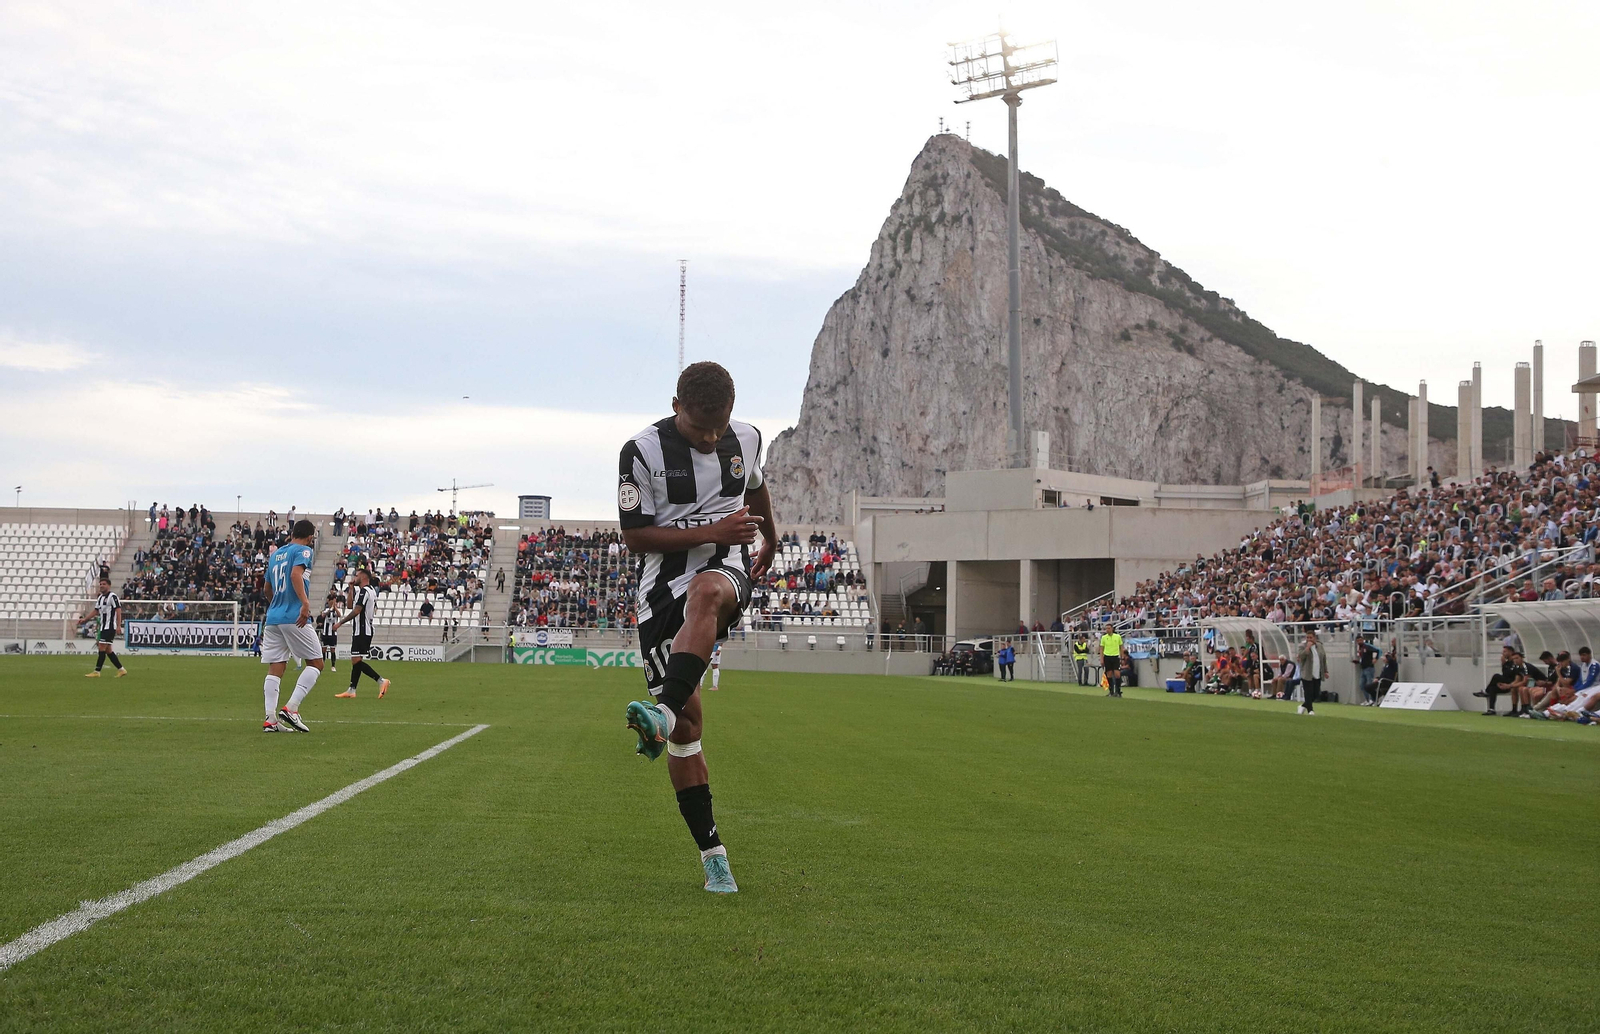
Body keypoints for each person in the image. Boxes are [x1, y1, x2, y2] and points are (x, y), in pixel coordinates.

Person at [619, 361, 776, 894]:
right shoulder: (640, 452)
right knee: (688, 734)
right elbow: (635, 538)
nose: (711, 438)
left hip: (723, 569)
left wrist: (770, 539)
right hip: (660, 591)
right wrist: (711, 527)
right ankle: (713, 856)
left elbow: (756, 488)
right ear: (675, 406)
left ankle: (658, 713)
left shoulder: (749, 438)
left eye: (719, 427)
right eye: (698, 428)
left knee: (709, 592)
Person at [260, 520, 323, 732]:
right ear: (310, 536)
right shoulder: (304, 551)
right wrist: (305, 603)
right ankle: (292, 708)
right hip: (294, 616)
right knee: (316, 663)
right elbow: (296, 575)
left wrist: (276, 606)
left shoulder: (275, 555)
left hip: (273, 618)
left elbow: (267, 588)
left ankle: (270, 719)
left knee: (276, 667)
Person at [333, 568, 390, 699]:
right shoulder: (365, 591)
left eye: (357, 575)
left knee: (356, 660)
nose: (354, 577)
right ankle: (352, 690)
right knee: (356, 660)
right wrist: (351, 589)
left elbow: (357, 610)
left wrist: (340, 623)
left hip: (362, 630)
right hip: (362, 630)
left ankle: (381, 680)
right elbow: (349, 606)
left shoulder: (365, 591)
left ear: (364, 577)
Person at [84, 576, 128, 678]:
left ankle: (97, 671)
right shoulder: (100, 598)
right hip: (103, 627)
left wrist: (118, 625)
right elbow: (96, 611)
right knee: (108, 650)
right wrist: (85, 619)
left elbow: (118, 610)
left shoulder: (113, 596)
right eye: (100, 584)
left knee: (102, 647)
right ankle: (121, 670)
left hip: (110, 627)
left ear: (109, 585)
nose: (102, 586)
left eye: (104, 584)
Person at [1296, 629, 1327, 715]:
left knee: (1315, 694)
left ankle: (1303, 706)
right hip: (1307, 673)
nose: (1309, 639)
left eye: (1311, 638)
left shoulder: (1319, 646)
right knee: (1308, 692)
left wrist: (1325, 670)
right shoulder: (1302, 646)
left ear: (1315, 638)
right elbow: (1301, 657)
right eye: (1307, 637)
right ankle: (1310, 710)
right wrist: (1307, 648)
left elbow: (1323, 658)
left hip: (1317, 672)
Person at [319, 595, 341, 672]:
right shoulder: (326, 609)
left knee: (333, 650)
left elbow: (339, 615)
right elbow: (323, 615)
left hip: (333, 634)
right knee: (323, 649)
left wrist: (334, 608)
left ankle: (333, 666)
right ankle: (322, 665)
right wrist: (330, 609)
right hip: (325, 633)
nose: (333, 602)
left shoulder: (336, 610)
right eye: (332, 601)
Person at [1356, 636, 1381, 706]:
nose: (1359, 642)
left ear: (1363, 640)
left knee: (1370, 685)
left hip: (1369, 668)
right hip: (1363, 668)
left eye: (1360, 640)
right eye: (1358, 641)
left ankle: (1373, 699)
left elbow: (1378, 650)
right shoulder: (1360, 648)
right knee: (1362, 685)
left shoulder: (1367, 646)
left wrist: (1376, 658)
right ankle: (1368, 700)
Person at [1100, 627, 1124, 697]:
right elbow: (1101, 649)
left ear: (1112, 629)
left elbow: (1121, 647)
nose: (1107, 630)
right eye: (1106, 628)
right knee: (1109, 674)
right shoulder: (1104, 637)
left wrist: (1122, 657)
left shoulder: (1118, 637)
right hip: (1107, 657)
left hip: (1115, 657)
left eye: (1109, 628)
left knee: (1117, 674)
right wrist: (1101, 659)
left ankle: (1118, 691)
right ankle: (1111, 691)